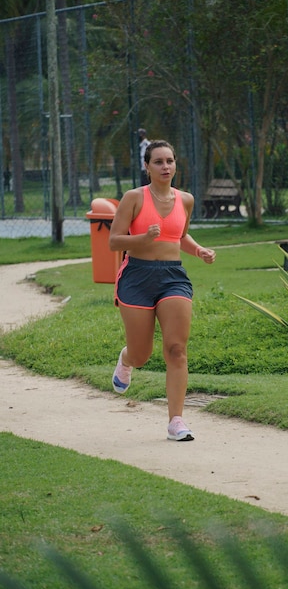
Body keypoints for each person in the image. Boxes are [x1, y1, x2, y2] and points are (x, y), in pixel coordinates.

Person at [109, 140, 216, 442]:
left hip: (173, 277)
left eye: (170, 161)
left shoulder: (185, 200)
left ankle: (176, 421)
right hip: (137, 277)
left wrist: (199, 251)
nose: (165, 166)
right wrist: (143, 237)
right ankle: (127, 360)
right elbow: (114, 241)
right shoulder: (133, 198)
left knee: (176, 349)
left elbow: (179, 236)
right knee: (142, 355)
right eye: (158, 162)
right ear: (147, 166)